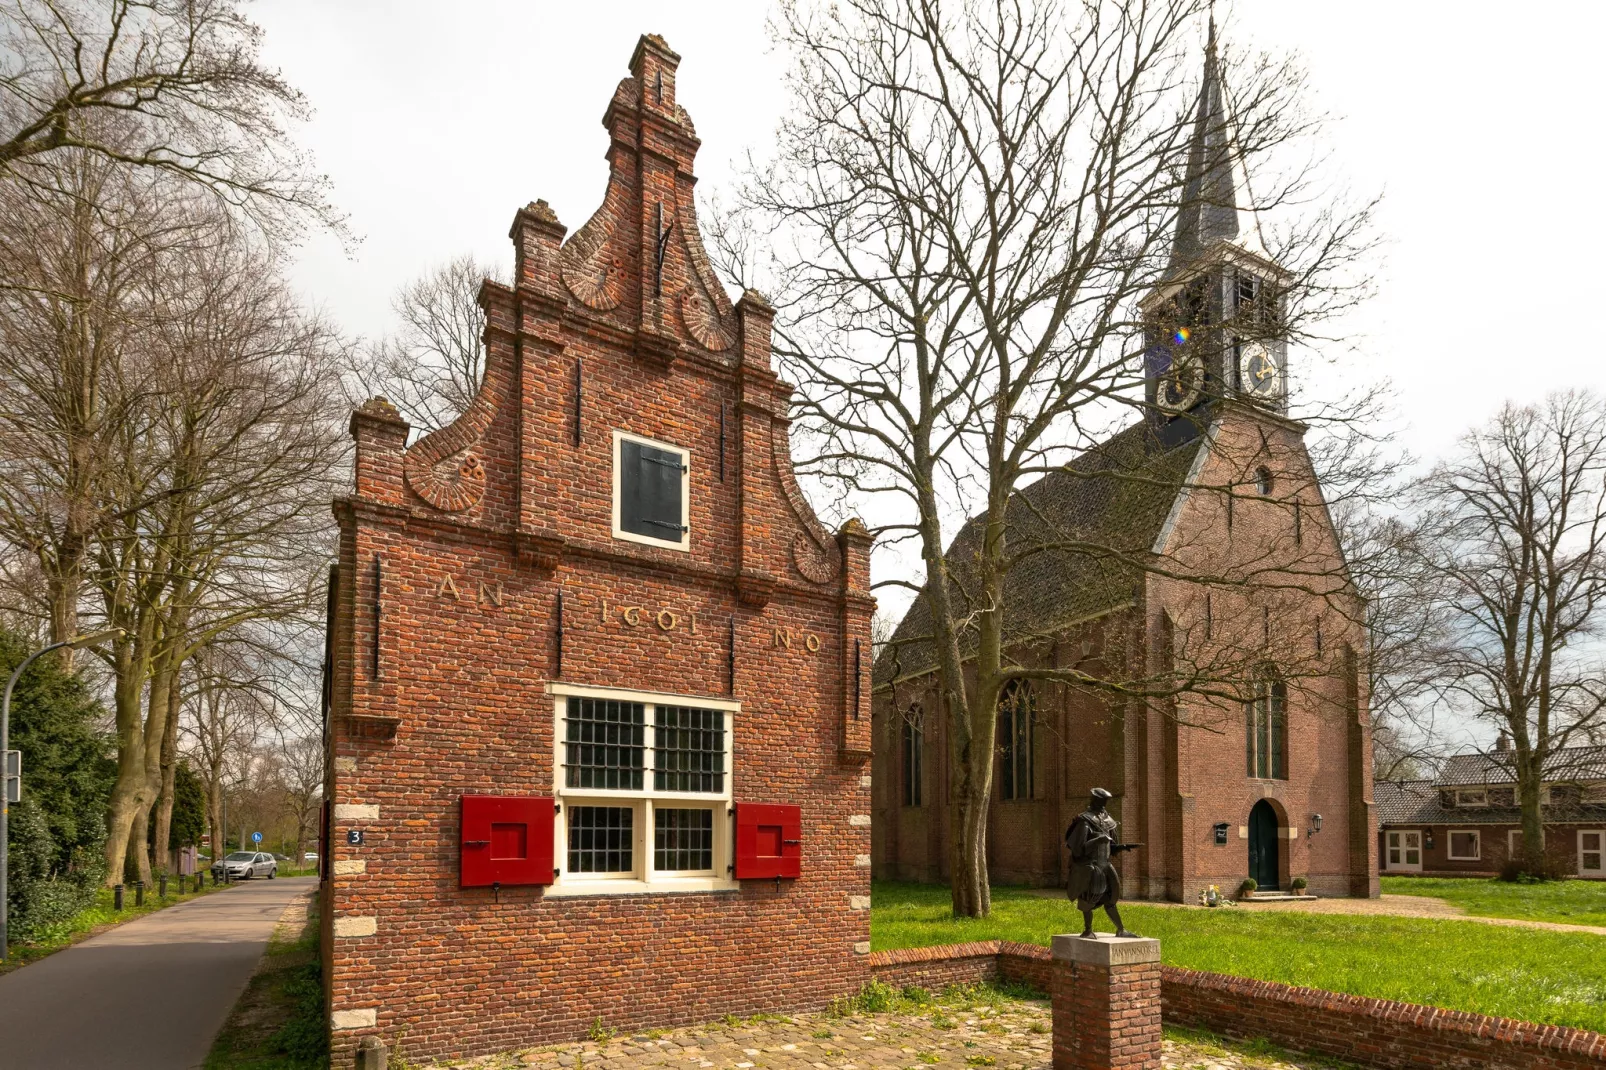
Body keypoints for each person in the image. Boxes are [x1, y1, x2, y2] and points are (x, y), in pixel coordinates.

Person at [1064, 787, 1142, 938]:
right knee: (1088, 898)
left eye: (1106, 801)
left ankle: (1121, 930)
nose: (1104, 804)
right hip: (1091, 867)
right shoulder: (1084, 821)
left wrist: (1123, 847)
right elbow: (1079, 850)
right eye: (1102, 801)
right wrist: (1098, 840)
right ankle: (1088, 930)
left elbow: (1111, 847)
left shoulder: (1107, 820)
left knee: (1112, 896)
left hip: (1105, 865)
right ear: (1095, 800)